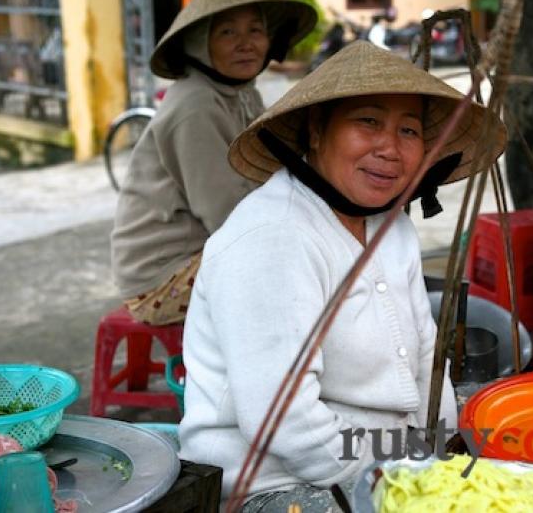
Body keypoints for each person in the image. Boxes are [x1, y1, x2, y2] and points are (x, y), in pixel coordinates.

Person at [179, 41, 506, 511]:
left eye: (408, 130)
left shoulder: (391, 227)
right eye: (368, 122)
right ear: (316, 130)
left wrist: (441, 448)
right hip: (275, 485)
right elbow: (287, 424)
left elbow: (425, 355)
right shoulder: (273, 237)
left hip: (386, 458)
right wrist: (411, 483)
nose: (390, 148)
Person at [110, 0, 317, 326]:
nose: (246, 44)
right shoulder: (196, 107)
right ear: (199, 44)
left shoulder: (241, 92)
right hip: (160, 279)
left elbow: (272, 164)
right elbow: (228, 215)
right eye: (227, 33)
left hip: (203, 249)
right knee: (294, 271)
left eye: (255, 30)